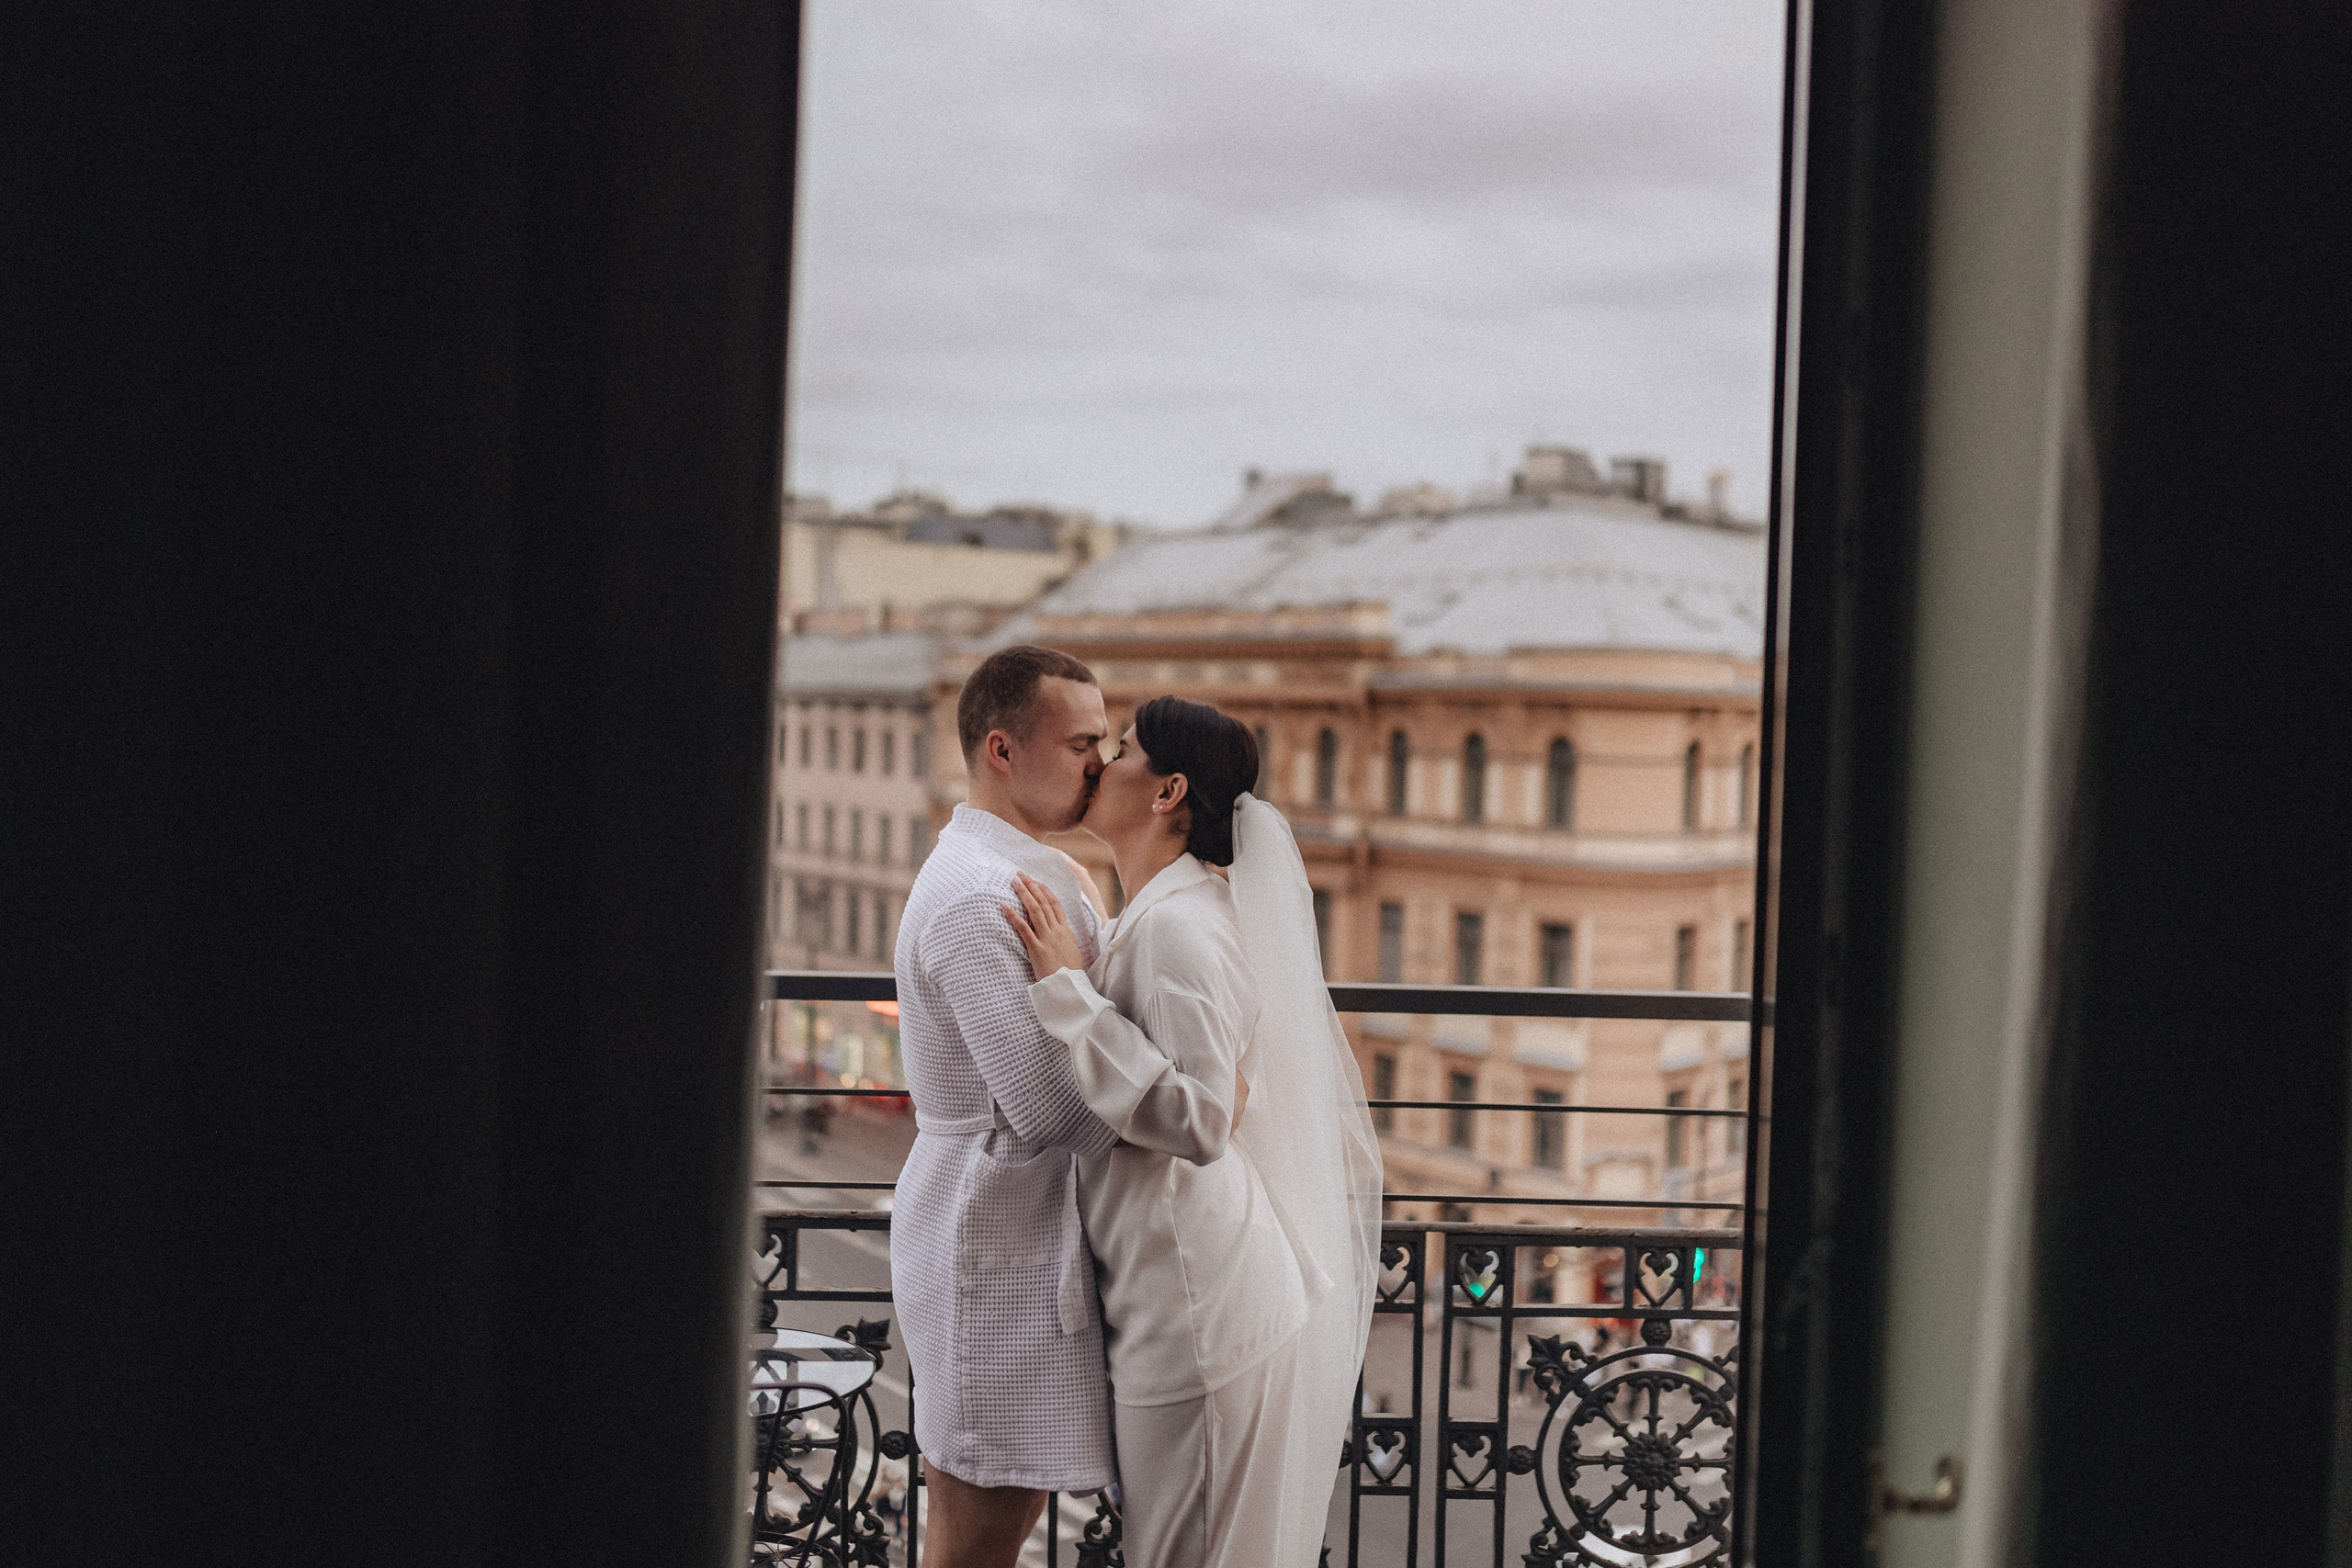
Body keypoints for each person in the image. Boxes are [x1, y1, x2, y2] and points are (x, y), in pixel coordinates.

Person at [1001, 695, 1385, 1568]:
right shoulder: (1169, 911)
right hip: (1183, 1295)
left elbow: (1204, 1118)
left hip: (1202, 1309)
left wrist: (1066, 992)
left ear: (1169, 789)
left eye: (1123, 749)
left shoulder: (1178, 927)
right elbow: (1221, 1090)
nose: (1100, 762)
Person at [890, 648, 1238, 1568]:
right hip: (991, 1247)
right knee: (975, 1536)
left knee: (993, 1519)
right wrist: (1180, 1091)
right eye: (1082, 741)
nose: (1098, 761)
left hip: (1025, 1240)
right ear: (1001, 751)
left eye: (1105, 741)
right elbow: (1055, 1112)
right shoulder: (977, 898)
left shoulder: (1032, 873)